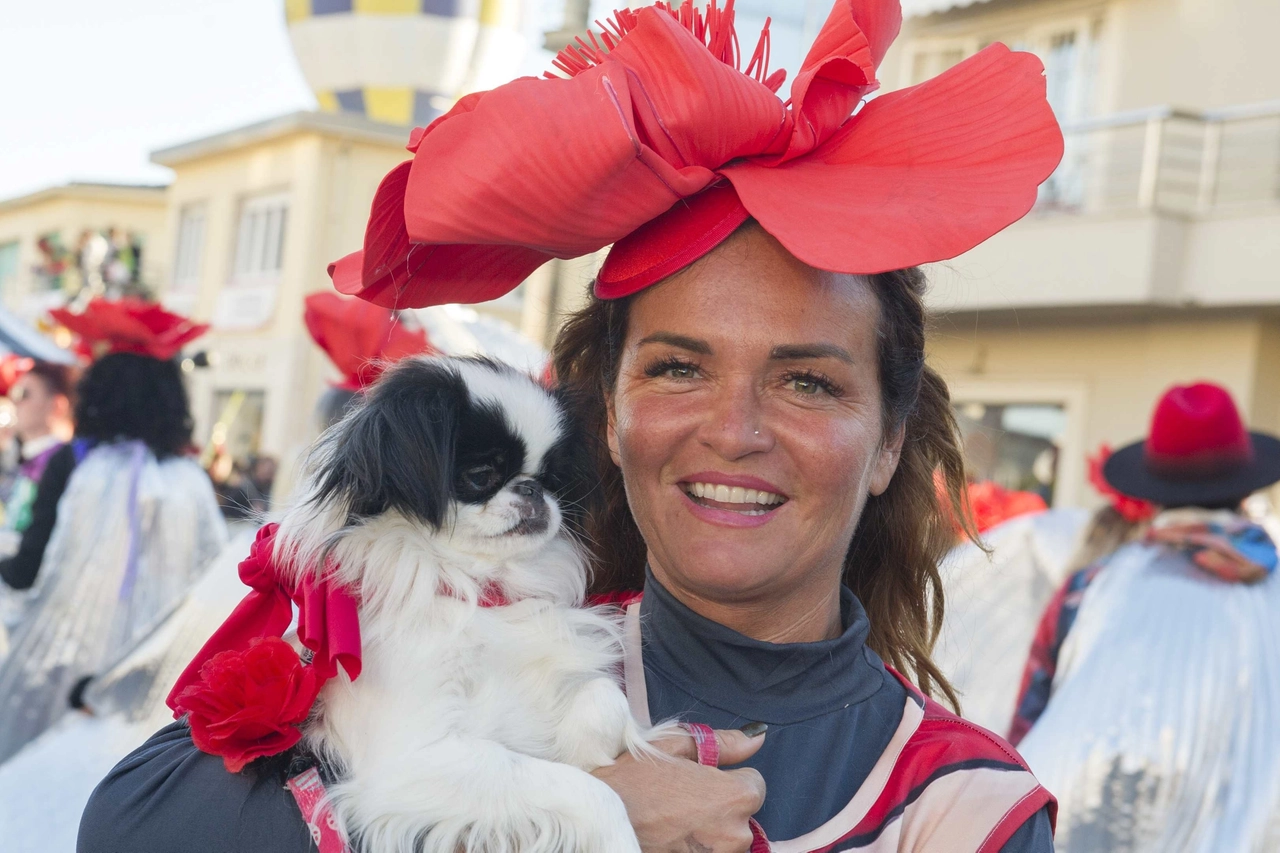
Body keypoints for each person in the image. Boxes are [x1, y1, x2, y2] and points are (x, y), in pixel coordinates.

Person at [80, 2, 1064, 850]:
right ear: (604, 410)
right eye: (677, 366)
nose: (733, 429)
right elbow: (127, 824)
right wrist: (582, 811)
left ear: (889, 438)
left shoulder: (967, 810)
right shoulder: (448, 606)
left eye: (806, 382)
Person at [1010, 383, 1280, 851]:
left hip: (1092, 821)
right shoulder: (1269, 587)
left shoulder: (1091, 588)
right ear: (1245, 486)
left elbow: (1031, 715)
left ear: (1153, 491)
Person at [0, 298, 227, 764]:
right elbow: (215, 585)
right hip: (158, 692)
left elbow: (27, 573)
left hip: (68, 685)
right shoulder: (190, 480)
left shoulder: (75, 463)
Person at [0, 361, 77, 590]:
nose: (16, 402)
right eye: (15, 392)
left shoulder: (62, 465)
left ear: (56, 406)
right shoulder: (28, 458)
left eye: (25, 394)